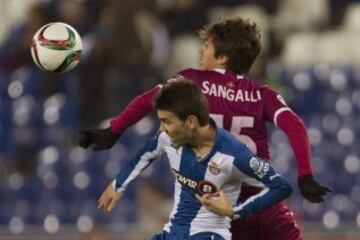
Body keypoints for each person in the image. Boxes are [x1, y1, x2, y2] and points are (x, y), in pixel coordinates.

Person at [80, 18, 331, 239]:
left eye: (207, 46)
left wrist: (114, 130)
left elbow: (148, 100)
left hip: (213, 211)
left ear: (222, 57)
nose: (201, 50)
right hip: (264, 206)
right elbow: (296, 126)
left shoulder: (192, 81)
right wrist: (305, 175)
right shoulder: (263, 94)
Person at [98, 80, 293, 240]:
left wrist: (235, 211)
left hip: (208, 235)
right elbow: (146, 153)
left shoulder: (234, 154)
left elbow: (281, 186)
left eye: (166, 121)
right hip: (173, 233)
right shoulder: (169, 138)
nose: (161, 128)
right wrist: (118, 185)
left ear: (190, 122)